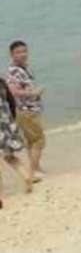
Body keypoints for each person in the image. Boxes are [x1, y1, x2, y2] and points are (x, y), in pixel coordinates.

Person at [6, 41, 45, 182]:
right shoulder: (15, 71)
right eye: (18, 52)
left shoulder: (22, 68)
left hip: (28, 109)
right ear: (11, 55)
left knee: (32, 140)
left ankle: (36, 167)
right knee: (38, 140)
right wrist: (34, 93)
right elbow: (13, 91)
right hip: (26, 110)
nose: (23, 54)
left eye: (24, 51)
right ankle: (33, 170)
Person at [0, 77, 33, 208]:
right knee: (9, 157)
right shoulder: (2, 83)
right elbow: (11, 103)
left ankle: (0, 195)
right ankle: (26, 176)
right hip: (8, 124)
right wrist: (12, 120)